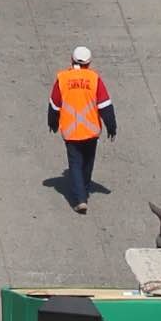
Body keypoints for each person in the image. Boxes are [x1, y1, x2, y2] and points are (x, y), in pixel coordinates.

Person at [48, 46, 114, 207]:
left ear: (71, 60)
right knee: (88, 161)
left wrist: (53, 123)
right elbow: (105, 106)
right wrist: (112, 126)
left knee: (75, 163)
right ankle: (83, 188)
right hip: (91, 131)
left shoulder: (62, 79)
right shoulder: (94, 79)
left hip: (71, 132)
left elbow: (54, 105)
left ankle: (80, 199)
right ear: (89, 63)